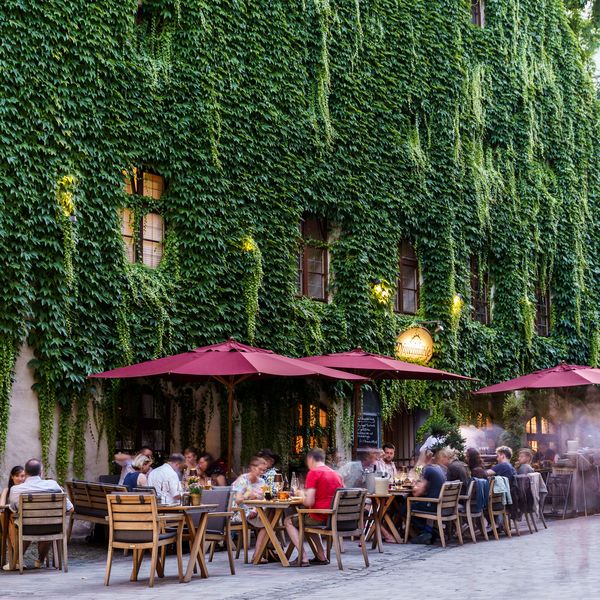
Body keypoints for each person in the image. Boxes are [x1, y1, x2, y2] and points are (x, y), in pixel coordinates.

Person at [6, 459, 73, 570]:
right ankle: (40, 561)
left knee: (21, 523)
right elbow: (70, 509)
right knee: (47, 523)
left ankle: (16, 560)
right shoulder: (54, 485)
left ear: (26, 473)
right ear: (40, 472)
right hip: (53, 527)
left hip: (27, 527)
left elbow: (13, 509)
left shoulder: (16, 489)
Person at [284, 448, 343, 566]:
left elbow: (309, 502)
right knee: (306, 520)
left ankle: (303, 557)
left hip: (320, 516)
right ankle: (321, 556)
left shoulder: (314, 473)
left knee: (288, 521)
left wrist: (302, 495)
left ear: (310, 459)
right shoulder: (336, 474)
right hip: (333, 517)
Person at [231, 456, 269, 563]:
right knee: (267, 524)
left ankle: (262, 554)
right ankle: (257, 556)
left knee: (269, 519)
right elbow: (238, 499)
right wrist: (250, 495)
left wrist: (255, 509)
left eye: (264, 470)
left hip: (256, 511)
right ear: (252, 467)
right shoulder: (243, 480)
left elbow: (266, 497)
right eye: (260, 469)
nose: (261, 472)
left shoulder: (262, 481)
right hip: (240, 512)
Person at [406, 450, 447, 544]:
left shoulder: (427, 469)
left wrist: (413, 485)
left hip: (433, 505)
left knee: (405, 507)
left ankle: (425, 533)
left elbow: (417, 493)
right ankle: (429, 531)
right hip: (441, 504)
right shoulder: (437, 468)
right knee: (411, 504)